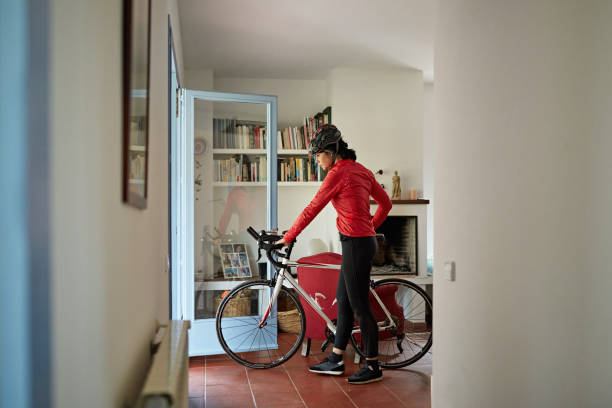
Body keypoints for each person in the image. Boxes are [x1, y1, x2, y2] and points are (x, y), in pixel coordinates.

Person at [275, 124, 392, 384]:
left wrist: (288, 236)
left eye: (318, 155)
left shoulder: (338, 173)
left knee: (361, 306)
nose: (317, 161)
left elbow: (312, 208)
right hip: (361, 242)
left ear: (331, 151)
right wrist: (371, 227)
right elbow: (386, 203)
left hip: (356, 244)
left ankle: (373, 366)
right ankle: (336, 358)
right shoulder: (362, 171)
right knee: (344, 299)